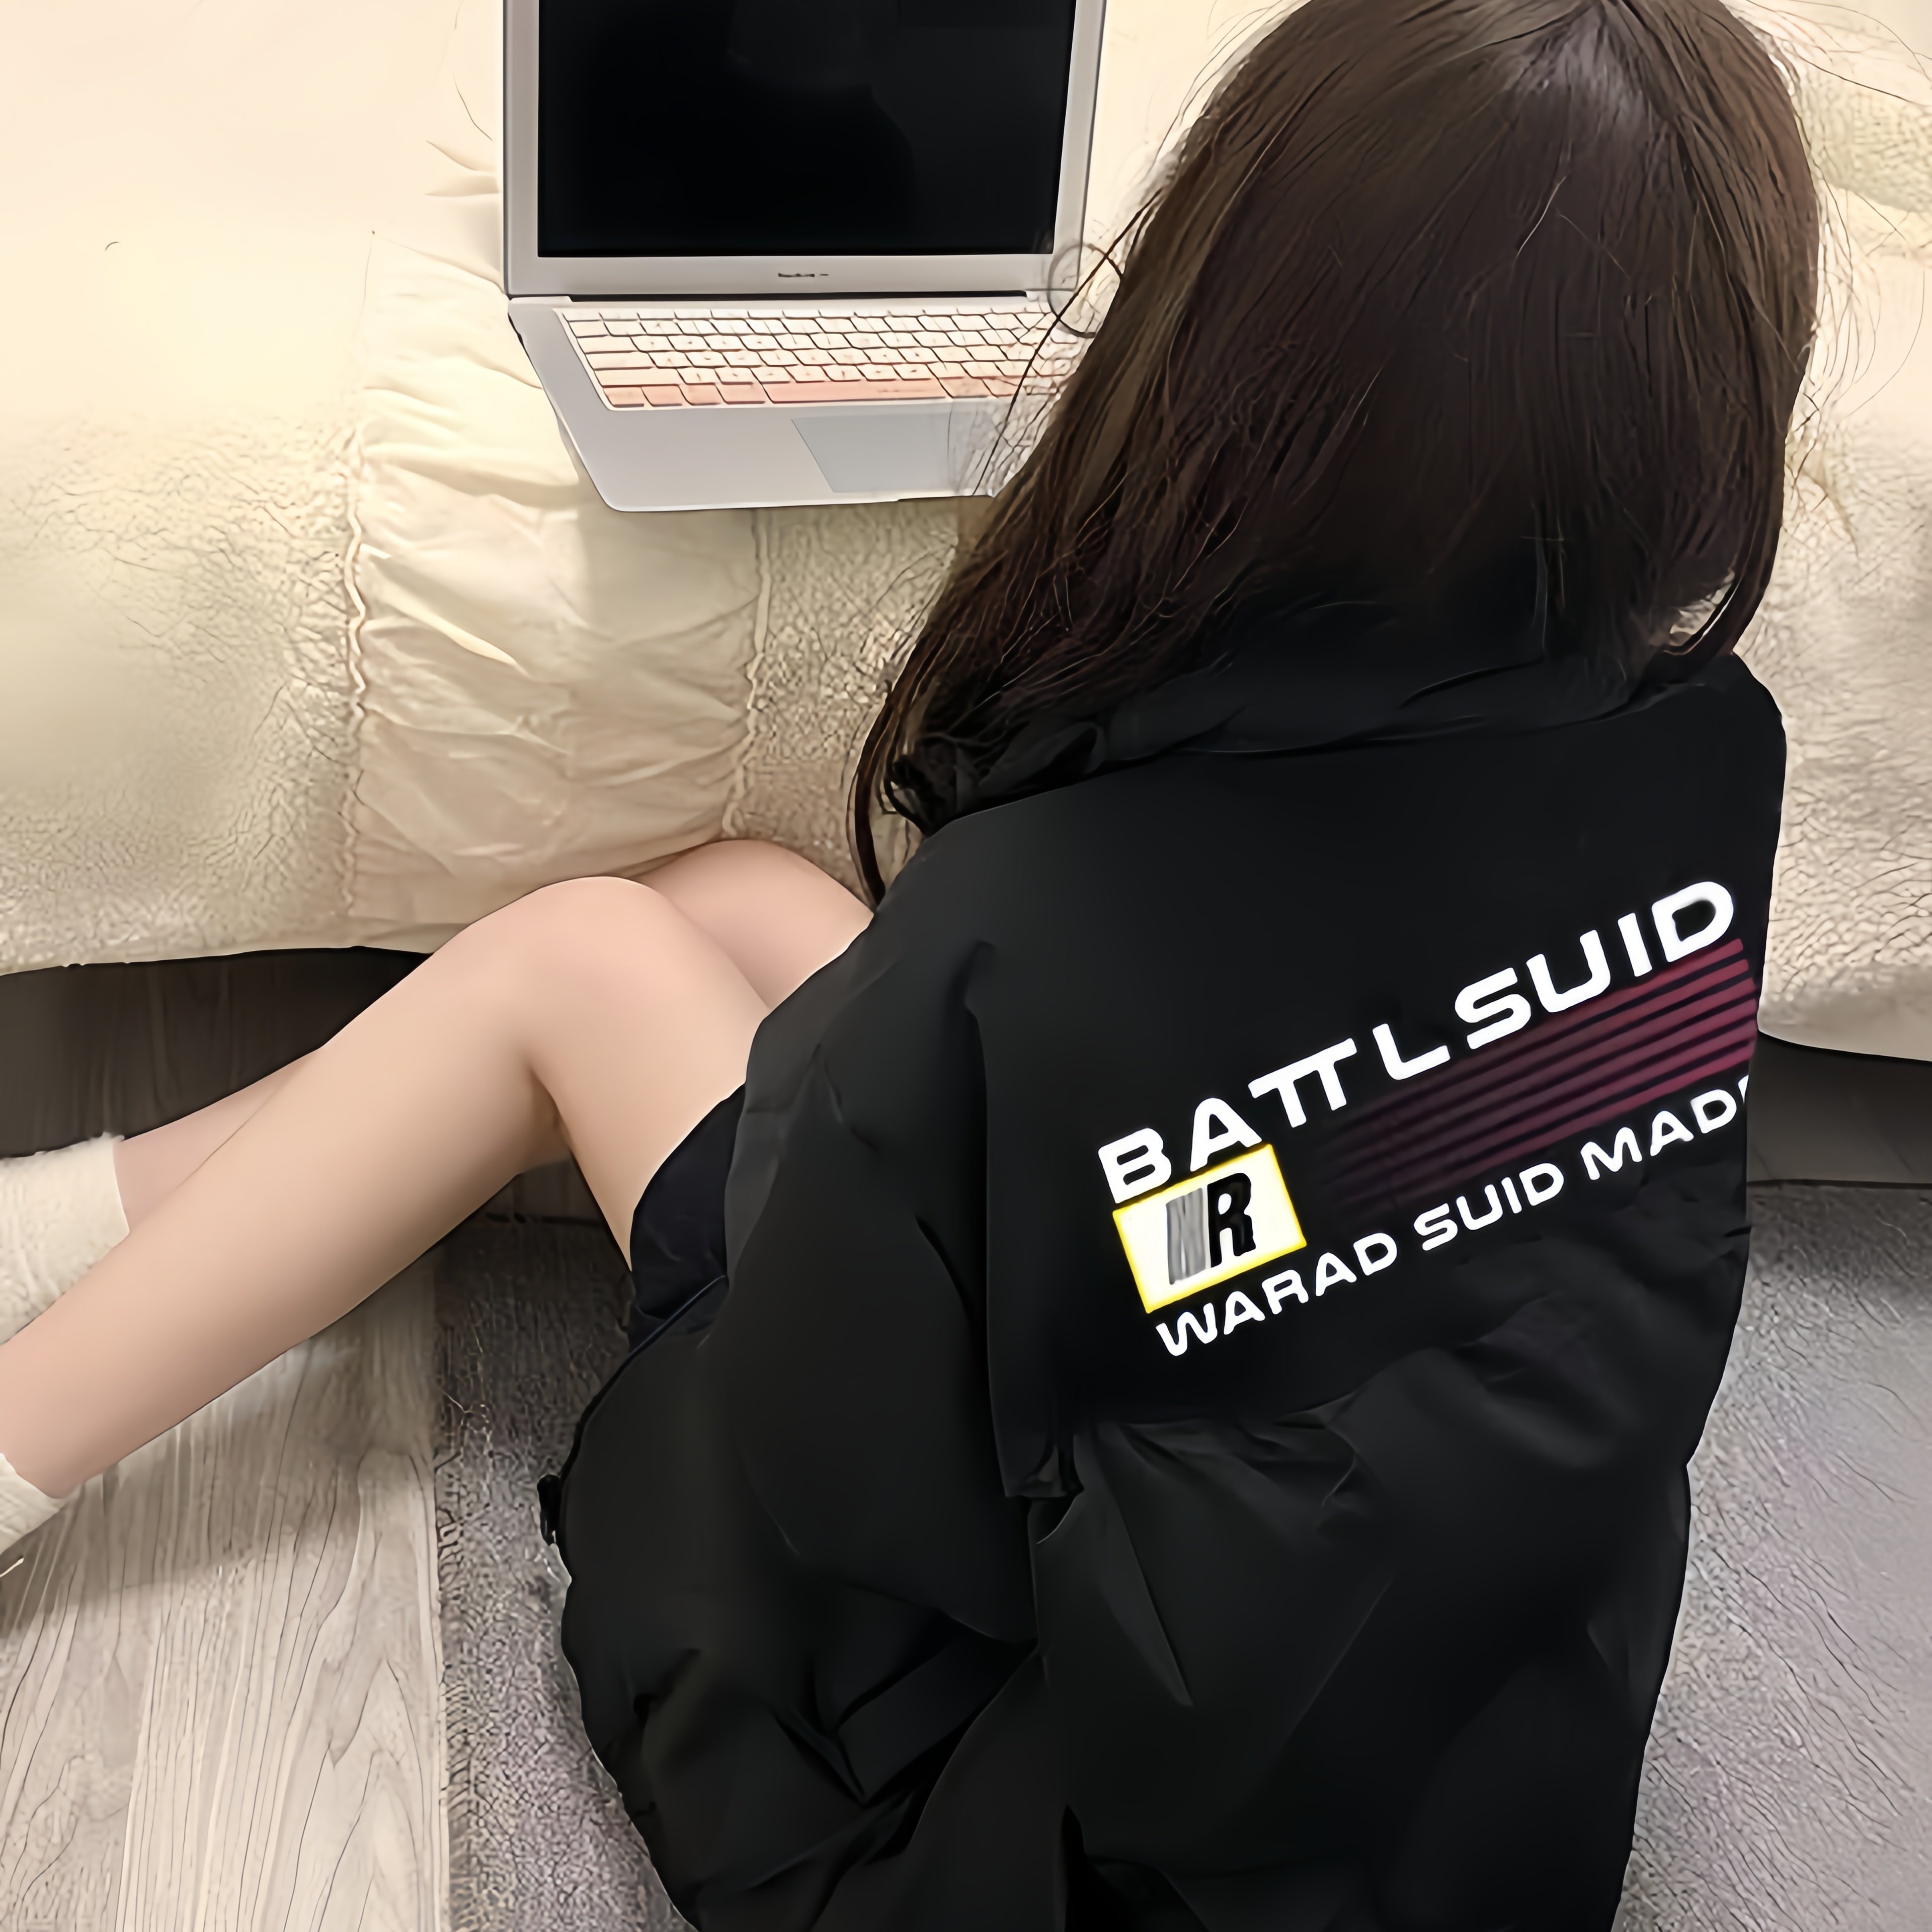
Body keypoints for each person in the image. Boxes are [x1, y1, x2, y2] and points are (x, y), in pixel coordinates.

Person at [0, 0, 1818, 1922]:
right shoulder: (1712, 755)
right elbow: (1363, 1146)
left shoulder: (1050, 904)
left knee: (576, 962)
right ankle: (68, 1232)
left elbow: (851, 1468)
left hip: (1058, 1829)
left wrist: (899, 1172)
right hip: (1472, 1766)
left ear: (1232, 347)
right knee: (741, 895)